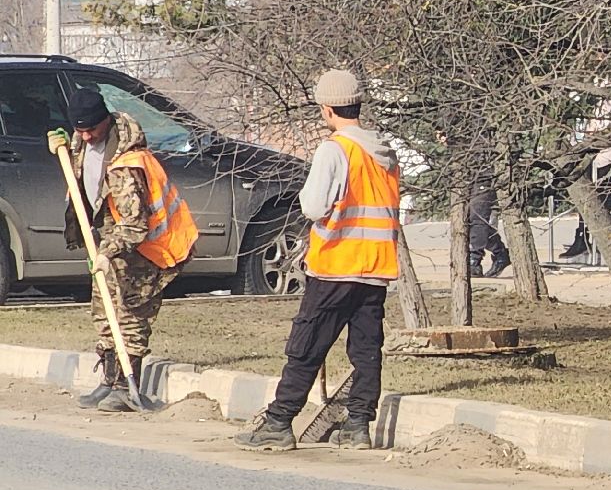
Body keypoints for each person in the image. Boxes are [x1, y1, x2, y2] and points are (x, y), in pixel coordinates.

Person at [236, 70, 401, 451]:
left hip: (336, 265)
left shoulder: (335, 149)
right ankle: (358, 425)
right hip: (375, 267)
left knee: (306, 343)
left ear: (326, 109)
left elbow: (312, 206)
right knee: (365, 348)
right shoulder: (385, 153)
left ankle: (279, 421)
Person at [50, 89, 199, 412]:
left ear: (106, 120)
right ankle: (108, 380)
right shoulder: (82, 141)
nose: (87, 136)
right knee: (104, 312)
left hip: (148, 248)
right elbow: (81, 162)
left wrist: (108, 252)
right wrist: (63, 146)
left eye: (91, 129)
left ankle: (126, 387)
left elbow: (135, 224)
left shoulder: (127, 165)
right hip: (109, 241)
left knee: (130, 316)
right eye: (80, 130)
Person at [467, 165, 510, 278]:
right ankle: (500, 253)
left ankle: (474, 261)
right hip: (469, 174)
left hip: (485, 175)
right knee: (471, 222)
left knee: (477, 219)